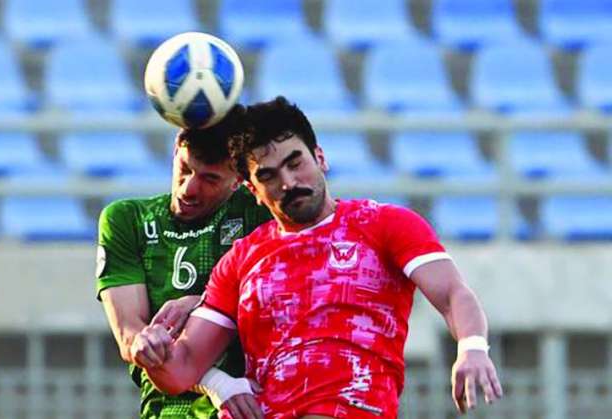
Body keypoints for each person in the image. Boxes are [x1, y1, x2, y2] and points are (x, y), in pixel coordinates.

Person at [136, 96, 504, 419]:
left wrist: (472, 347)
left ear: (320, 157)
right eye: (269, 176)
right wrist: (151, 350)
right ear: (252, 191)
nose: (288, 182)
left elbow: (452, 293)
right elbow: (181, 370)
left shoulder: (384, 224)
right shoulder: (240, 260)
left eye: (295, 163)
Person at [96, 105, 273, 418]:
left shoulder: (260, 212)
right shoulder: (127, 220)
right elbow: (129, 336)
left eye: (210, 179)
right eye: (185, 168)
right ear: (176, 148)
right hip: (171, 407)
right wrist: (216, 383)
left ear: (238, 179)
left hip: (253, 403)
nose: (189, 188)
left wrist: (200, 303)